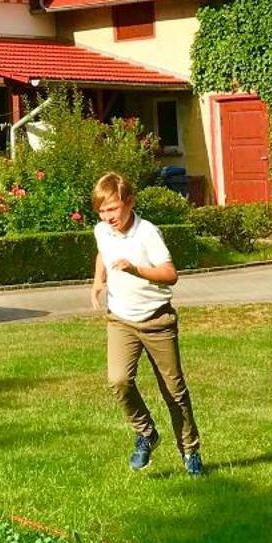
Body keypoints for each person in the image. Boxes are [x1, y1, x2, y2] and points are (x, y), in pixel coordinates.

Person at [89, 171, 202, 476]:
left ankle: (190, 452)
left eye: (113, 208)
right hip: (120, 319)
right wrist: (98, 280)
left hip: (157, 319)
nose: (108, 216)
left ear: (130, 202)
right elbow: (103, 252)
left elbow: (170, 274)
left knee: (174, 391)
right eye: (102, 210)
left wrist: (136, 270)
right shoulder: (102, 230)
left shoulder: (148, 233)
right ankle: (146, 433)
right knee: (118, 380)